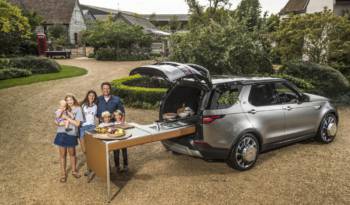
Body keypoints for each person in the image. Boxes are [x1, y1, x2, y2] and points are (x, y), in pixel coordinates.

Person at [97, 82, 127, 172]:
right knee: (106, 147)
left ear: (110, 89)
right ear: (101, 89)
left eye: (107, 88)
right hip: (104, 127)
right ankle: (107, 167)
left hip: (115, 126)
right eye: (104, 88)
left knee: (120, 146)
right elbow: (96, 114)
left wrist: (122, 124)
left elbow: (122, 112)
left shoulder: (116, 99)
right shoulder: (98, 99)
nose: (106, 90)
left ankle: (122, 165)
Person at [54, 94, 83, 183]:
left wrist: (66, 118)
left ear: (74, 100)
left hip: (71, 133)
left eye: (71, 99)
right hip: (61, 133)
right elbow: (56, 120)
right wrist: (59, 123)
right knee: (62, 155)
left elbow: (77, 124)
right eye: (67, 100)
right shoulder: (63, 109)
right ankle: (63, 174)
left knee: (72, 153)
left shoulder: (78, 109)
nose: (69, 102)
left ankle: (74, 171)